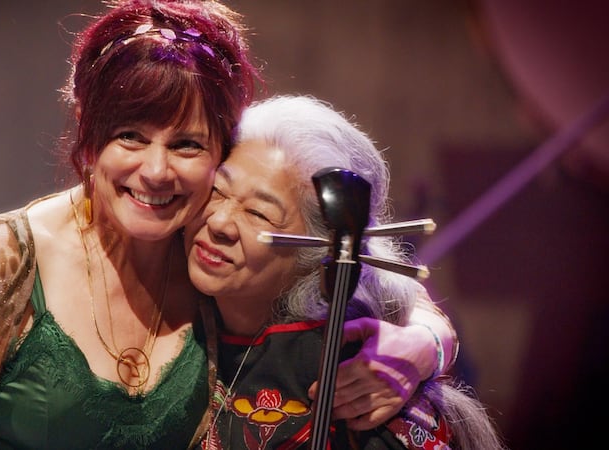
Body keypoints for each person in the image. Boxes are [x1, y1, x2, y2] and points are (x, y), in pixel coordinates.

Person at [0, 1, 458, 448]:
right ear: (88, 144)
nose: (155, 171)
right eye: (129, 136)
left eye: (187, 145)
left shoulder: (208, 259)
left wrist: (427, 342)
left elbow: (335, 270)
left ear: (218, 158)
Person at [185, 95, 507, 449]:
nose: (219, 222)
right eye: (218, 190)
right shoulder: (166, 272)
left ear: (319, 253)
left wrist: (430, 339)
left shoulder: (357, 383)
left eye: (259, 214)